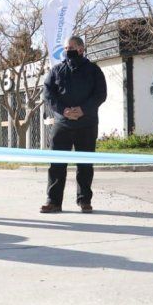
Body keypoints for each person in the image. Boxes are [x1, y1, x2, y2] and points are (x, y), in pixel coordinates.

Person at [40, 36, 107, 213]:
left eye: (70, 47)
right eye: (65, 48)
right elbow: (47, 94)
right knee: (56, 164)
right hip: (62, 124)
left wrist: (83, 109)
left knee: (85, 165)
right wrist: (64, 110)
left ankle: (84, 200)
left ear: (81, 49)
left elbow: (100, 94)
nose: (67, 50)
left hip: (87, 124)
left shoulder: (94, 70)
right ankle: (53, 201)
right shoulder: (56, 70)